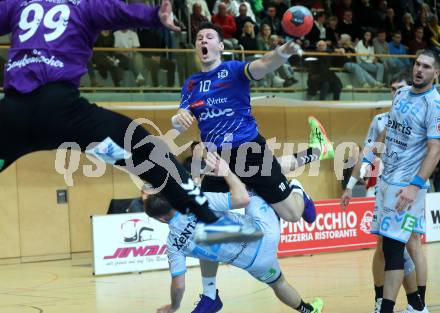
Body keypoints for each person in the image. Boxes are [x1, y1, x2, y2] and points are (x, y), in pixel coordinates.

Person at [0, 0, 262, 244]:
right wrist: (154, 16)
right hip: (64, 113)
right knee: (151, 155)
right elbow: (117, 12)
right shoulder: (82, 7)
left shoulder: (20, 5)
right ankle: (208, 221)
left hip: (12, 115)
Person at [172, 22, 334, 230]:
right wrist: (178, 119)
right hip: (217, 159)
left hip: (250, 149)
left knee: (292, 214)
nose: (203, 39)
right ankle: (318, 150)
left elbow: (265, 64)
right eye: (199, 37)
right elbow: (179, 118)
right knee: (207, 220)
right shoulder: (191, 84)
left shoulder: (234, 70)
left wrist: (283, 52)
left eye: (210, 36)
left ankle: (297, 188)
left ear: (221, 46)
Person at [147, 153, 324, 313]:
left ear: (161, 219)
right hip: (264, 233)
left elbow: (178, 286)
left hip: (257, 264)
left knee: (279, 284)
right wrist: (227, 173)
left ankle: (308, 310)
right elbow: (242, 199)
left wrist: (174, 306)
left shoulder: (173, 245)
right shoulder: (198, 201)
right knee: (258, 180)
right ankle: (298, 190)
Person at [352, 50, 440, 313]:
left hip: (406, 186)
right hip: (385, 182)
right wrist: (368, 159)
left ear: (436, 73)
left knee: (395, 247)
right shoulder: (401, 95)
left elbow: (435, 150)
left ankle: (388, 308)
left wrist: (415, 185)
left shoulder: (434, 104)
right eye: (417, 64)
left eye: (426, 66)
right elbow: (388, 134)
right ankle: (416, 305)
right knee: (390, 246)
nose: (419, 70)